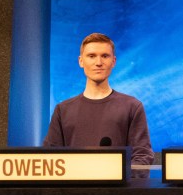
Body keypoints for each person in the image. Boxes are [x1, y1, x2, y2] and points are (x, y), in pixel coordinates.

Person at [43, 33, 154, 165]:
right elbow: (49, 159)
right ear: (81, 61)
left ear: (113, 61)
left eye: (105, 56)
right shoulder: (63, 110)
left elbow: (142, 156)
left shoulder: (132, 107)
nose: (99, 63)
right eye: (91, 56)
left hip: (118, 185)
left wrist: (124, 181)